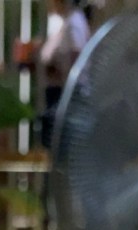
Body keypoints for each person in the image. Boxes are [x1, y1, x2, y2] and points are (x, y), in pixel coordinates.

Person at [39, 0, 91, 147]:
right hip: (59, 90)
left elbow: (76, 55)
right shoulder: (65, 22)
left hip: (68, 92)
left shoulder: (75, 23)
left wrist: (58, 69)